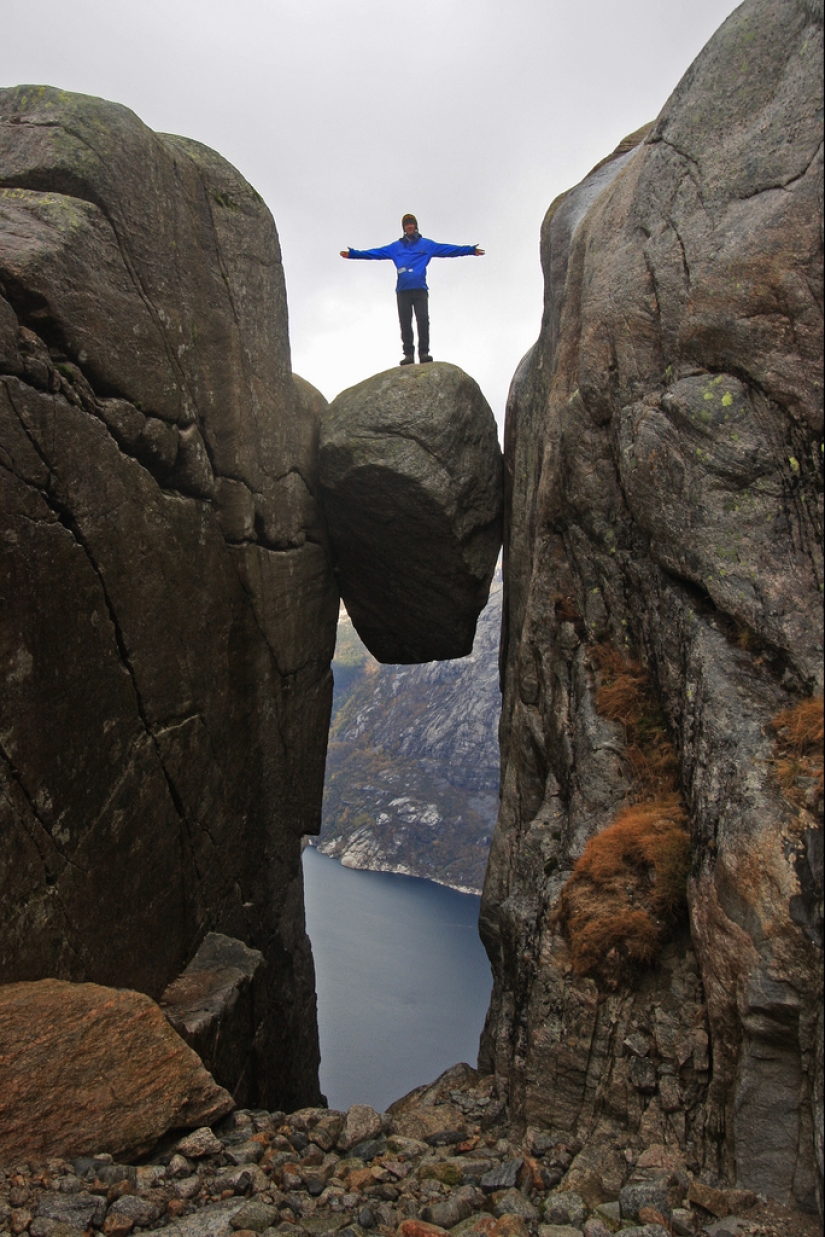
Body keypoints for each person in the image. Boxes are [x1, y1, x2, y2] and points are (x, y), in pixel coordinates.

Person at [340, 214, 484, 365]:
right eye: (406, 224)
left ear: (416, 226)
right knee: (405, 322)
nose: (409, 226)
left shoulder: (426, 245)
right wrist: (352, 254)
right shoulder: (395, 247)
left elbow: (448, 250)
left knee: (423, 320)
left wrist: (470, 250)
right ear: (404, 228)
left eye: (411, 224)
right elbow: (374, 253)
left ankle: (424, 353)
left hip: (420, 289)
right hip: (403, 291)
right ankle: (408, 354)